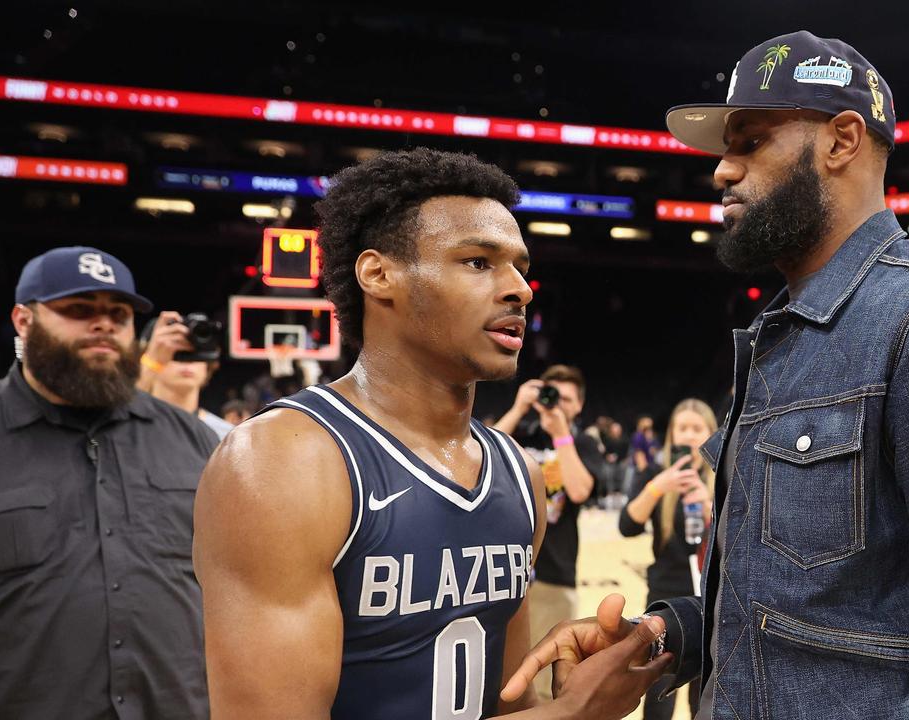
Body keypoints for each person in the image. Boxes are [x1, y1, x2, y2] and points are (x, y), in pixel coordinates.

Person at [503, 30, 909, 718]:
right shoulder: (783, 334)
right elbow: (796, 604)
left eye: (750, 143)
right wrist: (667, 634)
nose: (721, 171)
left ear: (841, 141)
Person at [194, 148, 668, 719]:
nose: (520, 287)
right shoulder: (284, 460)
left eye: (521, 266)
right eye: (477, 262)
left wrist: (563, 696)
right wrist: (571, 717)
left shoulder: (516, 471)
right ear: (378, 274)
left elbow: (506, 703)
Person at [0, 246, 219, 719]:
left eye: (118, 314)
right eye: (78, 310)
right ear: (23, 320)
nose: (103, 325)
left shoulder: (191, 438)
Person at [494, 364, 607, 700]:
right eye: (552, 396)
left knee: (543, 682)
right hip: (508, 569)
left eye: (567, 400)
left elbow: (578, 491)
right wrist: (518, 408)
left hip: (555, 574)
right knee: (502, 675)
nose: (559, 405)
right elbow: (481, 458)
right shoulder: (524, 434)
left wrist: (561, 434)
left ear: (580, 405)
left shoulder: (583, 443)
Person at [619, 399, 716, 720]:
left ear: (711, 433)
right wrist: (657, 488)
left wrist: (707, 506)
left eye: (696, 428)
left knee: (703, 698)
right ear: (672, 434)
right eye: (682, 428)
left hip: (709, 601)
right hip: (664, 599)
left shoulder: (724, 478)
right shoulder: (654, 474)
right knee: (659, 694)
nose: (689, 435)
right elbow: (627, 525)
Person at [137, 314, 234, 439]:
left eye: (196, 351)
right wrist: (151, 364)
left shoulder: (228, 437)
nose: (188, 361)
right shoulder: (126, 427)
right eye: (177, 352)